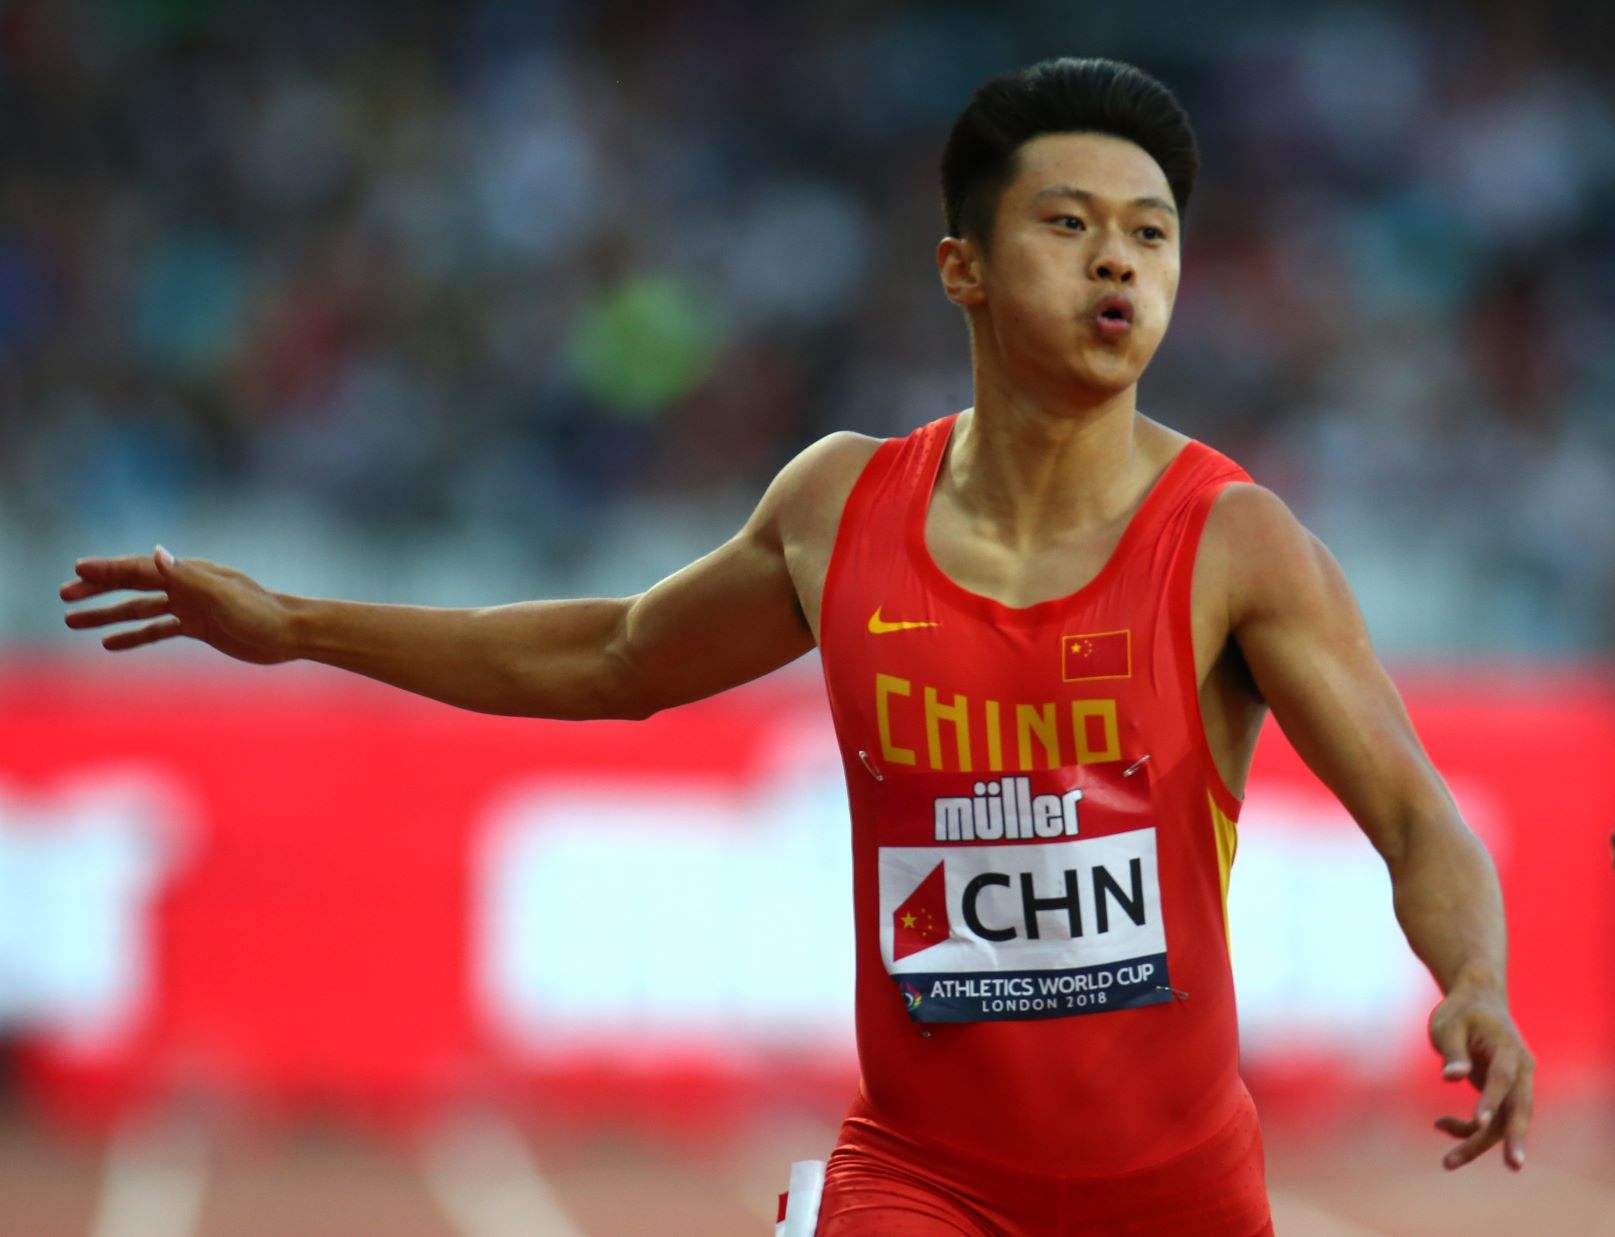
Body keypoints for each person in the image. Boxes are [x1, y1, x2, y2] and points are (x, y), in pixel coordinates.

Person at [61, 55, 1531, 1237]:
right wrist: (298, 627)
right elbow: (614, 656)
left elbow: (1415, 815)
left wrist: (1474, 979)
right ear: (962, 266)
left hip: (1179, 1194)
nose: (1119, 263)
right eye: (1069, 223)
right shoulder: (840, 509)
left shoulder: (1235, 543)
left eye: (1152, 233)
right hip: (923, 1182)